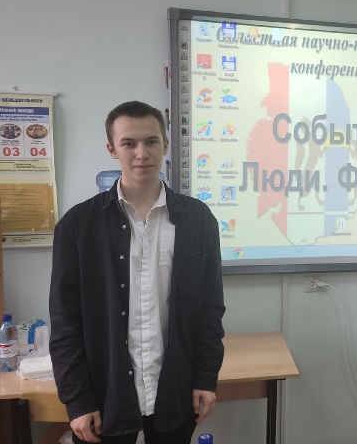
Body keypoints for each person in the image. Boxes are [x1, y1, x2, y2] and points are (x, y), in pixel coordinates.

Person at [49, 101, 225, 444]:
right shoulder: (77, 226)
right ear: (112, 149)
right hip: (105, 395)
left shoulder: (199, 220)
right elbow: (65, 322)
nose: (141, 153)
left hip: (176, 390)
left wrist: (206, 377)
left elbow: (209, 309)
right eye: (129, 143)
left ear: (166, 145)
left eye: (151, 141)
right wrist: (78, 399)